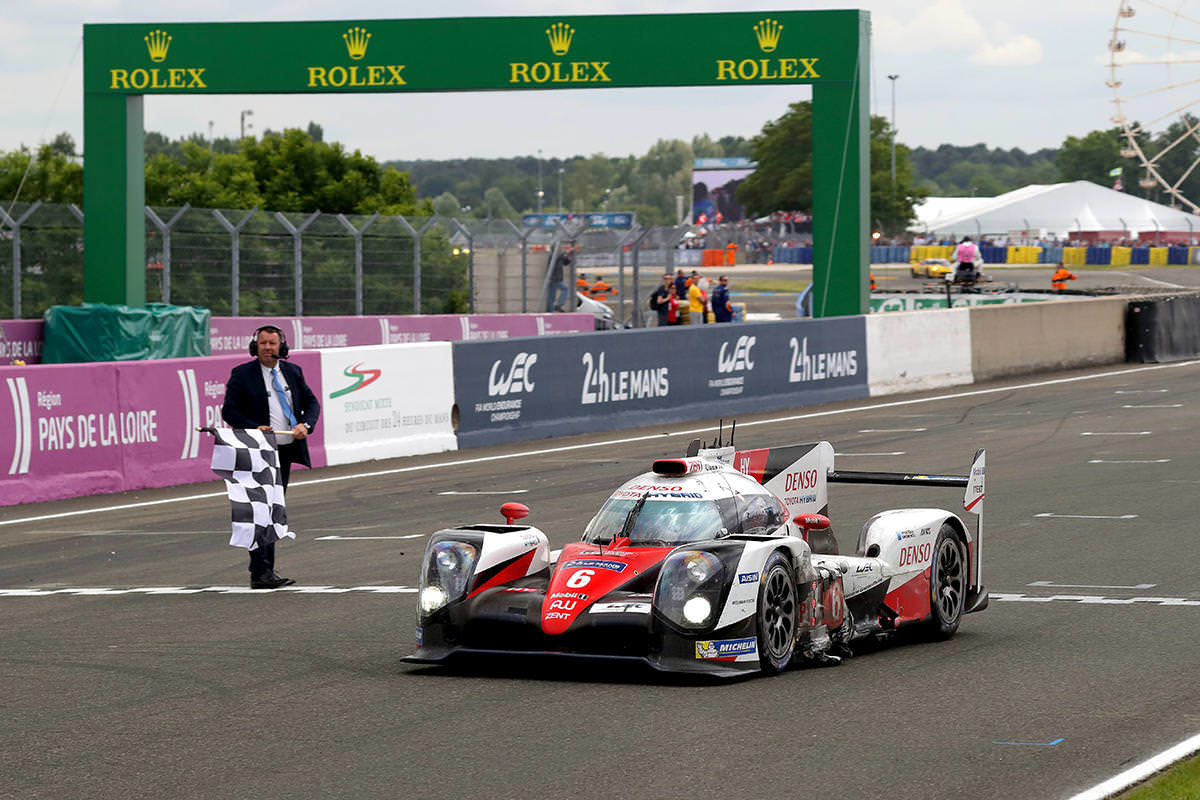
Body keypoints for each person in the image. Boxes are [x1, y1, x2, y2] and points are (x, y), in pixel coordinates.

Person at [221, 325, 321, 589]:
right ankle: (260, 572)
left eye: (272, 343)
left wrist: (305, 425)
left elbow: (312, 405)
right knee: (260, 509)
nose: (268, 348)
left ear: (281, 347)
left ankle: (266, 571)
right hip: (257, 450)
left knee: (274, 508)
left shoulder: (292, 372)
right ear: (256, 347)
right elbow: (229, 412)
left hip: (285, 451)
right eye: (263, 343)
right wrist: (254, 427)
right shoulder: (242, 374)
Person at [547, 247, 570, 312]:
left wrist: (568, 255)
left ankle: (550, 311)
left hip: (555, 279)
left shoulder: (559, 256)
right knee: (565, 289)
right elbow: (559, 257)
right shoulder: (553, 255)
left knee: (551, 296)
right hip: (554, 278)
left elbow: (566, 262)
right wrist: (566, 252)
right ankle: (559, 305)